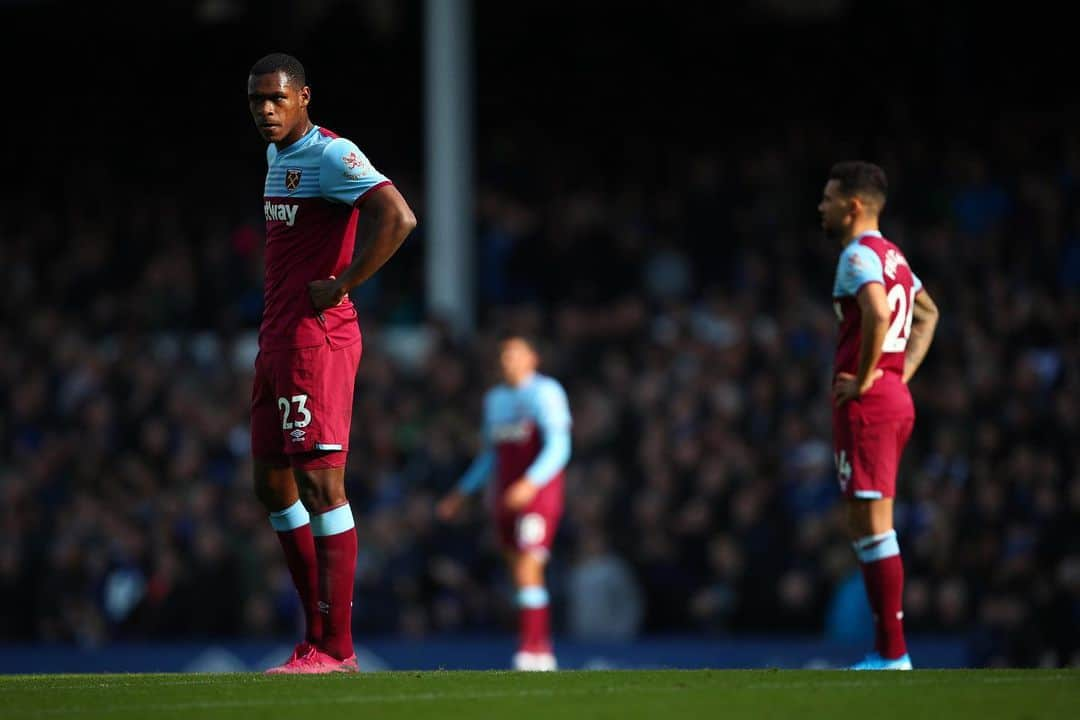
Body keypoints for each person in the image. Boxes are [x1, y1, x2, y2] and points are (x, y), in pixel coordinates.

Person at [246, 53, 417, 673]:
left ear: (304, 97)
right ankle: (315, 634)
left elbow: (398, 216)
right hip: (276, 341)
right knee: (271, 483)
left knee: (321, 482)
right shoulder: (276, 157)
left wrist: (345, 282)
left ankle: (336, 648)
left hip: (316, 341)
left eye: (277, 99)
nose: (266, 110)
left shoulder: (331, 155)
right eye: (257, 101)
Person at [819, 161, 939, 670]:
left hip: (869, 402)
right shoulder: (895, 256)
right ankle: (888, 651)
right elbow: (928, 313)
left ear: (852, 206)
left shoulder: (857, 254)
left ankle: (892, 654)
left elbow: (879, 311)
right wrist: (901, 370)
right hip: (891, 396)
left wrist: (869, 377)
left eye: (827, 199)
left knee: (873, 523)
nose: (820, 208)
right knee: (863, 521)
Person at [437, 333, 572, 671]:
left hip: (537, 496)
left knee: (529, 566)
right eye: (503, 355)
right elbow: (490, 456)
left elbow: (559, 447)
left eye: (514, 354)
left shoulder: (546, 393)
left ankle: (533, 650)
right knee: (518, 572)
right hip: (504, 498)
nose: (507, 361)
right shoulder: (495, 400)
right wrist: (462, 492)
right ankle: (539, 649)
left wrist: (530, 483)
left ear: (533, 359)